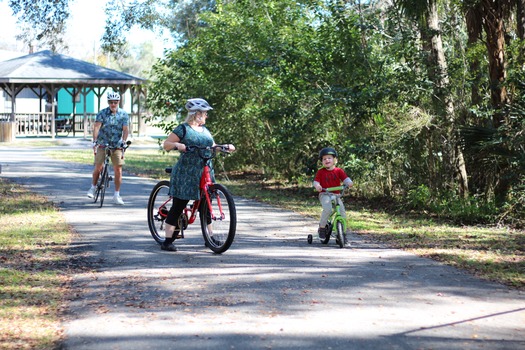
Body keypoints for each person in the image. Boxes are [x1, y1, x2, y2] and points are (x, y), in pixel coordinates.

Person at [160, 98, 235, 252]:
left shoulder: (205, 130)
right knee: (179, 204)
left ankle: (210, 237)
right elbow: (166, 144)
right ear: (197, 114)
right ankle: (167, 240)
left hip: (205, 170)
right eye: (205, 113)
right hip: (187, 172)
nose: (206, 116)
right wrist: (177, 145)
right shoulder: (183, 129)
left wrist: (224, 147)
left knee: (206, 206)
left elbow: (211, 146)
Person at [86, 91, 129, 205]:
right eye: (111, 102)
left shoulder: (123, 114)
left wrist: (124, 142)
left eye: (115, 102)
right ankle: (93, 187)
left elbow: (125, 129)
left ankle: (116, 195)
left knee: (118, 169)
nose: (113, 104)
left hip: (117, 144)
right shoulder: (102, 113)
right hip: (103, 143)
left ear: (118, 102)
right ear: (108, 102)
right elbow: (97, 127)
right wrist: (95, 141)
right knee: (98, 166)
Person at [313, 147, 353, 241]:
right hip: (324, 194)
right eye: (324, 159)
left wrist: (349, 183)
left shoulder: (339, 171)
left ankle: (341, 234)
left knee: (342, 212)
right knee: (328, 209)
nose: (327, 160)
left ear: (334, 159)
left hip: (336, 195)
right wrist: (317, 186)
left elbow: (345, 179)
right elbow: (316, 182)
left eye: (329, 158)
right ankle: (322, 228)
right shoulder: (321, 172)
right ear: (322, 161)